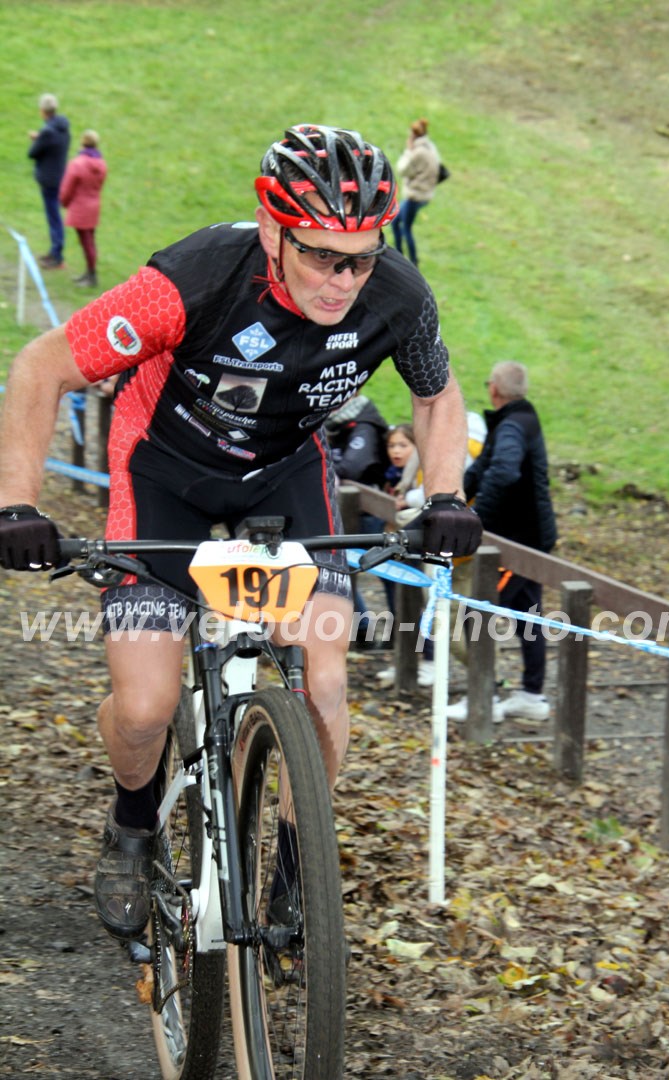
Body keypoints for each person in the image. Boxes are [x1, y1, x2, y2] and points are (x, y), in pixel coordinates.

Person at [0, 123, 482, 943]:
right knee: (146, 706)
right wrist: (18, 506)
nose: (342, 281)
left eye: (360, 259)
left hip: (285, 474)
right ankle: (131, 825)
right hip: (162, 474)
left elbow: (436, 396)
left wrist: (445, 494)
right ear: (270, 230)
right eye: (321, 256)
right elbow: (42, 365)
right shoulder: (193, 279)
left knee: (324, 681)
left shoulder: (398, 295)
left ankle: (298, 869)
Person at [447, 361, 557, 724]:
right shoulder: (515, 420)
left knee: (476, 613)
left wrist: (479, 517)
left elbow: (504, 470)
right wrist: (452, 501)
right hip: (529, 538)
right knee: (528, 615)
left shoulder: (512, 425)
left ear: (493, 388)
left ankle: (485, 697)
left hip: (519, 544)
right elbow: (480, 471)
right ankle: (531, 695)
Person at [325, 393, 390, 645]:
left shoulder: (365, 425)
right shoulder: (332, 424)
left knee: (390, 576)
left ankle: (413, 640)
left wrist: (327, 466)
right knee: (339, 569)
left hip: (371, 513)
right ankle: (363, 628)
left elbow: (353, 466)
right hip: (345, 510)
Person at [376, 424, 435, 687]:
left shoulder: (423, 470)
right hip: (399, 543)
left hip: (421, 544)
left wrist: (407, 499)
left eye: (403, 445)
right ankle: (404, 659)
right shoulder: (394, 476)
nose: (396, 451)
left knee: (421, 602)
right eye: (392, 446)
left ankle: (430, 660)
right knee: (398, 602)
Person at [27, 93, 71, 270]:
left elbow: (32, 153)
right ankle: (54, 252)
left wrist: (37, 139)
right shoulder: (63, 128)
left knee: (54, 217)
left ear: (43, 111)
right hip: (59, 176)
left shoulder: (47, 132)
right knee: (54, 216)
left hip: (48, 180)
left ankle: (56, 255)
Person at [60, 129, 108, 288]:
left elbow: (67, 188)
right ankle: (89, 272)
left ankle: (91, 275)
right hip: (94, 206)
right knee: (90, 241)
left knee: (86, 242)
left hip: (80, 208)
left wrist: (63, 202)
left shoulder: (77, 163)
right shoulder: (101, 164)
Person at [390, 117, 441, 267]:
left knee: (406, 227)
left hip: (415, 196)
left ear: (413, 135)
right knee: (396, 222)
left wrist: (408, 151)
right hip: (425, 194)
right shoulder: (430, 147)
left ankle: (412, 261)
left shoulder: (417, 153)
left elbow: (402, 170)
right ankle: (400, 254)